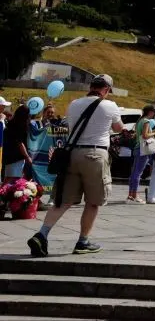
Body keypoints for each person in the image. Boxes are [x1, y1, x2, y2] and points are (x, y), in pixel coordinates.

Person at [28, 75, 123, 256]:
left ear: (91, 86)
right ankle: (83, 241)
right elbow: (118, 128)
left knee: (63, 200)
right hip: (95, 154)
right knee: (93, 202)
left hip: (72, 154)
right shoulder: (109, 105)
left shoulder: (74, 104)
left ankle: (42, 234)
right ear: (106, 89)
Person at [2, 102, 33, 180]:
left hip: (9, 156)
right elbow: (20, 143)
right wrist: (27, 157)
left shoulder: (11, 124)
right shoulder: (18, 126)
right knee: (12, 179)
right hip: (16, 157)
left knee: (9, 178)